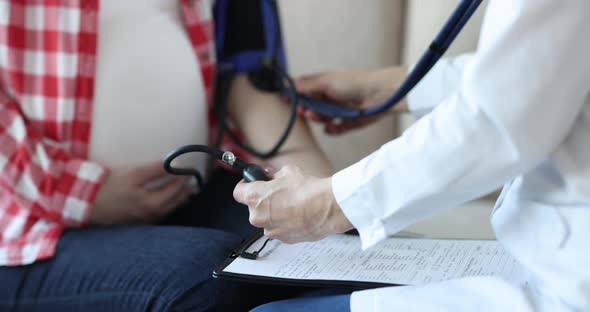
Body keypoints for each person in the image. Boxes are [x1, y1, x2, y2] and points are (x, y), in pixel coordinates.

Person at [234, 1, 590, 311]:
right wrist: (394, 87)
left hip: (570, 282)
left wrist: (330, 203)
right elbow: (536, 64)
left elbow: (501, 120)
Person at [0, 0, 332, 311]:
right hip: (35, 227)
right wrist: (81, 193)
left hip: (191, 194)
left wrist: (328, 195)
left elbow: (246, 75)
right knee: (208, 276)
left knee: (317, 254)